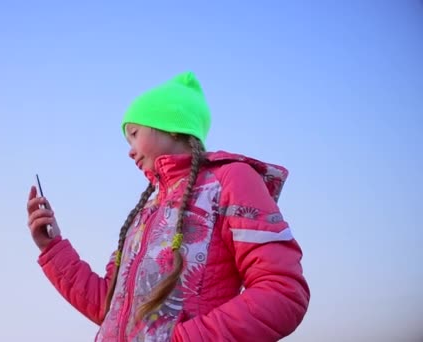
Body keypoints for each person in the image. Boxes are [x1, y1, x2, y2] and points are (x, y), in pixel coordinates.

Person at [26, 71, 310, 341]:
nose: (129, 150)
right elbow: (108, 307)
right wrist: (52, 248)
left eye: (134, 133)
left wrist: (181, 338)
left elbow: (282, 292)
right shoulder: (145, 212)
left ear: (173, 128)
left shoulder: (232, 180)